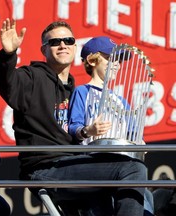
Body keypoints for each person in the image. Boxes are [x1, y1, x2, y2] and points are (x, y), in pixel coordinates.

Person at [0, 19, 147, 216]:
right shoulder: (31, 78)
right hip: (45, 168)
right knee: (132, 169)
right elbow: (6, 82)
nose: (62, 44)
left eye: (68, 40)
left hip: (74, 164)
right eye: (55, 42)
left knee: (128, 195)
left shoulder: (75, 89)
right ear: (44, 50)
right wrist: (7, 55)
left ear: (75, 47)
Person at [68, 36, 148, 215]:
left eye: (119, 60)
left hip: (122, 162)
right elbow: (73, 127)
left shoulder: (120, 99)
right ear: (92, 60)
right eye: (111, 58)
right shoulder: (82, 92)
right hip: (94, 163)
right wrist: (89, 130)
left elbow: (133, 131)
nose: (117, 64)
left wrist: (139, 141)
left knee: (145, 201)